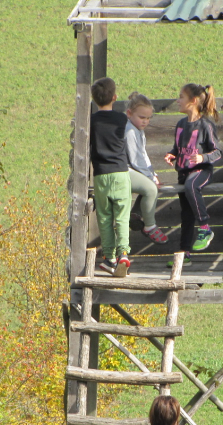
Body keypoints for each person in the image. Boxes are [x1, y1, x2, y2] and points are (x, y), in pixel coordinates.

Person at [164, 84, 221, 267]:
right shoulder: (181, 124)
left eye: (181, 97)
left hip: (201, 171)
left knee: (191, 186)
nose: (178, 100)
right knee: (186, 216)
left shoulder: (206, 125)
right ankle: (184, 255)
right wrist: (172, 154)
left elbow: (217, 152)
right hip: (183, 171)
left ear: (193, 101)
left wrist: (202, 157)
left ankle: (205, 228)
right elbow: (178, 147)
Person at [91, 77, 132, 277]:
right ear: (114, 97)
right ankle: (123, 253)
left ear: (93, 99)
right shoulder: (122, 119)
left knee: (105, 217)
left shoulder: (91, 121)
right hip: (120, 173)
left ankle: (109, 258)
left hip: (100, 175)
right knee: (122, 216)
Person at [125, 91, 168, 245]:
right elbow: (136, 159)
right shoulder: (129, 130)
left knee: (150, 184)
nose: (145, 121)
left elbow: (143, 155)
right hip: (124, 170)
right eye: (142, 117)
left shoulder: (138, 130)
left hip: (132, 169)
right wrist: (150, 178)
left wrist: (152, 174)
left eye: (148, 118)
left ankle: (136, 214)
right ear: (129, 113)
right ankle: (149, 226)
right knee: (150, 189)